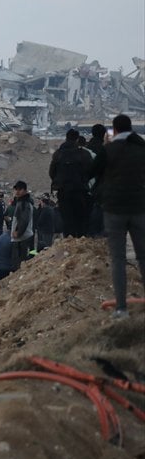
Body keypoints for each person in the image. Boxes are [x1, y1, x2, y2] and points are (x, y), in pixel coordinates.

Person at [90, 114, 145, 319]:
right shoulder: (141, 149)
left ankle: (121, 309)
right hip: (139, 208)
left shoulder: (109, 150)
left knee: (118, 259)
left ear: (114, 130)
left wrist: (105, 146)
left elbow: (90, 172)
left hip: (114, 210)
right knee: (143, 257)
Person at [8, 180, 35, 262]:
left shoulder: (24, 203)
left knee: (20, 264)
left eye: (20, 189)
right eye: (16, 189)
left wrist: (18, 232)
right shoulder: (21, 202)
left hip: (22, 239)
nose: (17, 192)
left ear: (25, 190)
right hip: (23, 238)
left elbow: (24, 220)